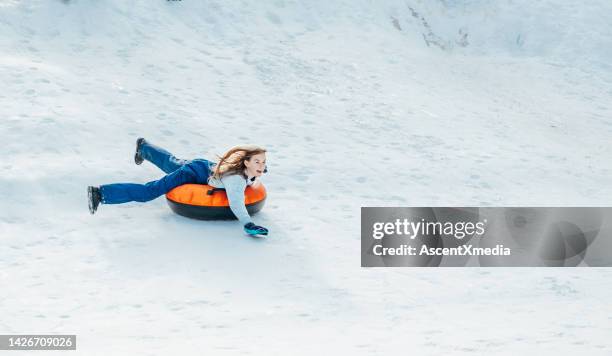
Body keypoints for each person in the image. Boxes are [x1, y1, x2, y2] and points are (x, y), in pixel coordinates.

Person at [87, 138, 269, 236]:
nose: (261, 165)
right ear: (246, 162)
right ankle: (100, 193)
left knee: (171, 163)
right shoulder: (235, 179)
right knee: (149, 191)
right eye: (257, 162)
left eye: (263, 162)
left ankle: (144, 147)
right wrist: (248, 224)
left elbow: (251, 177)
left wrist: (258, 170)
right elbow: (236, 202)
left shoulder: (248, 170)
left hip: (201, 165)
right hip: (193, 173)